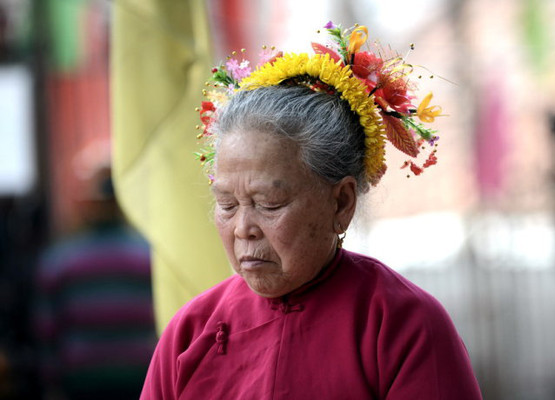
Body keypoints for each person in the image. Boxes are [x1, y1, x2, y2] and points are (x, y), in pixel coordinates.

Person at [141, 23, 482, 399]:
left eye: (269, 204)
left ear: (341, 203)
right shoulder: (190, 332)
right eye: (227, 205)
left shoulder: (400, 325)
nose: (243, 229)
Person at [36, 165, 156, 400]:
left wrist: (50, 383)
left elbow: (46, 331)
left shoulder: (59, 262)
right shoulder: (150, 256)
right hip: (140, 377)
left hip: (81, 379)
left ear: (87, 205)